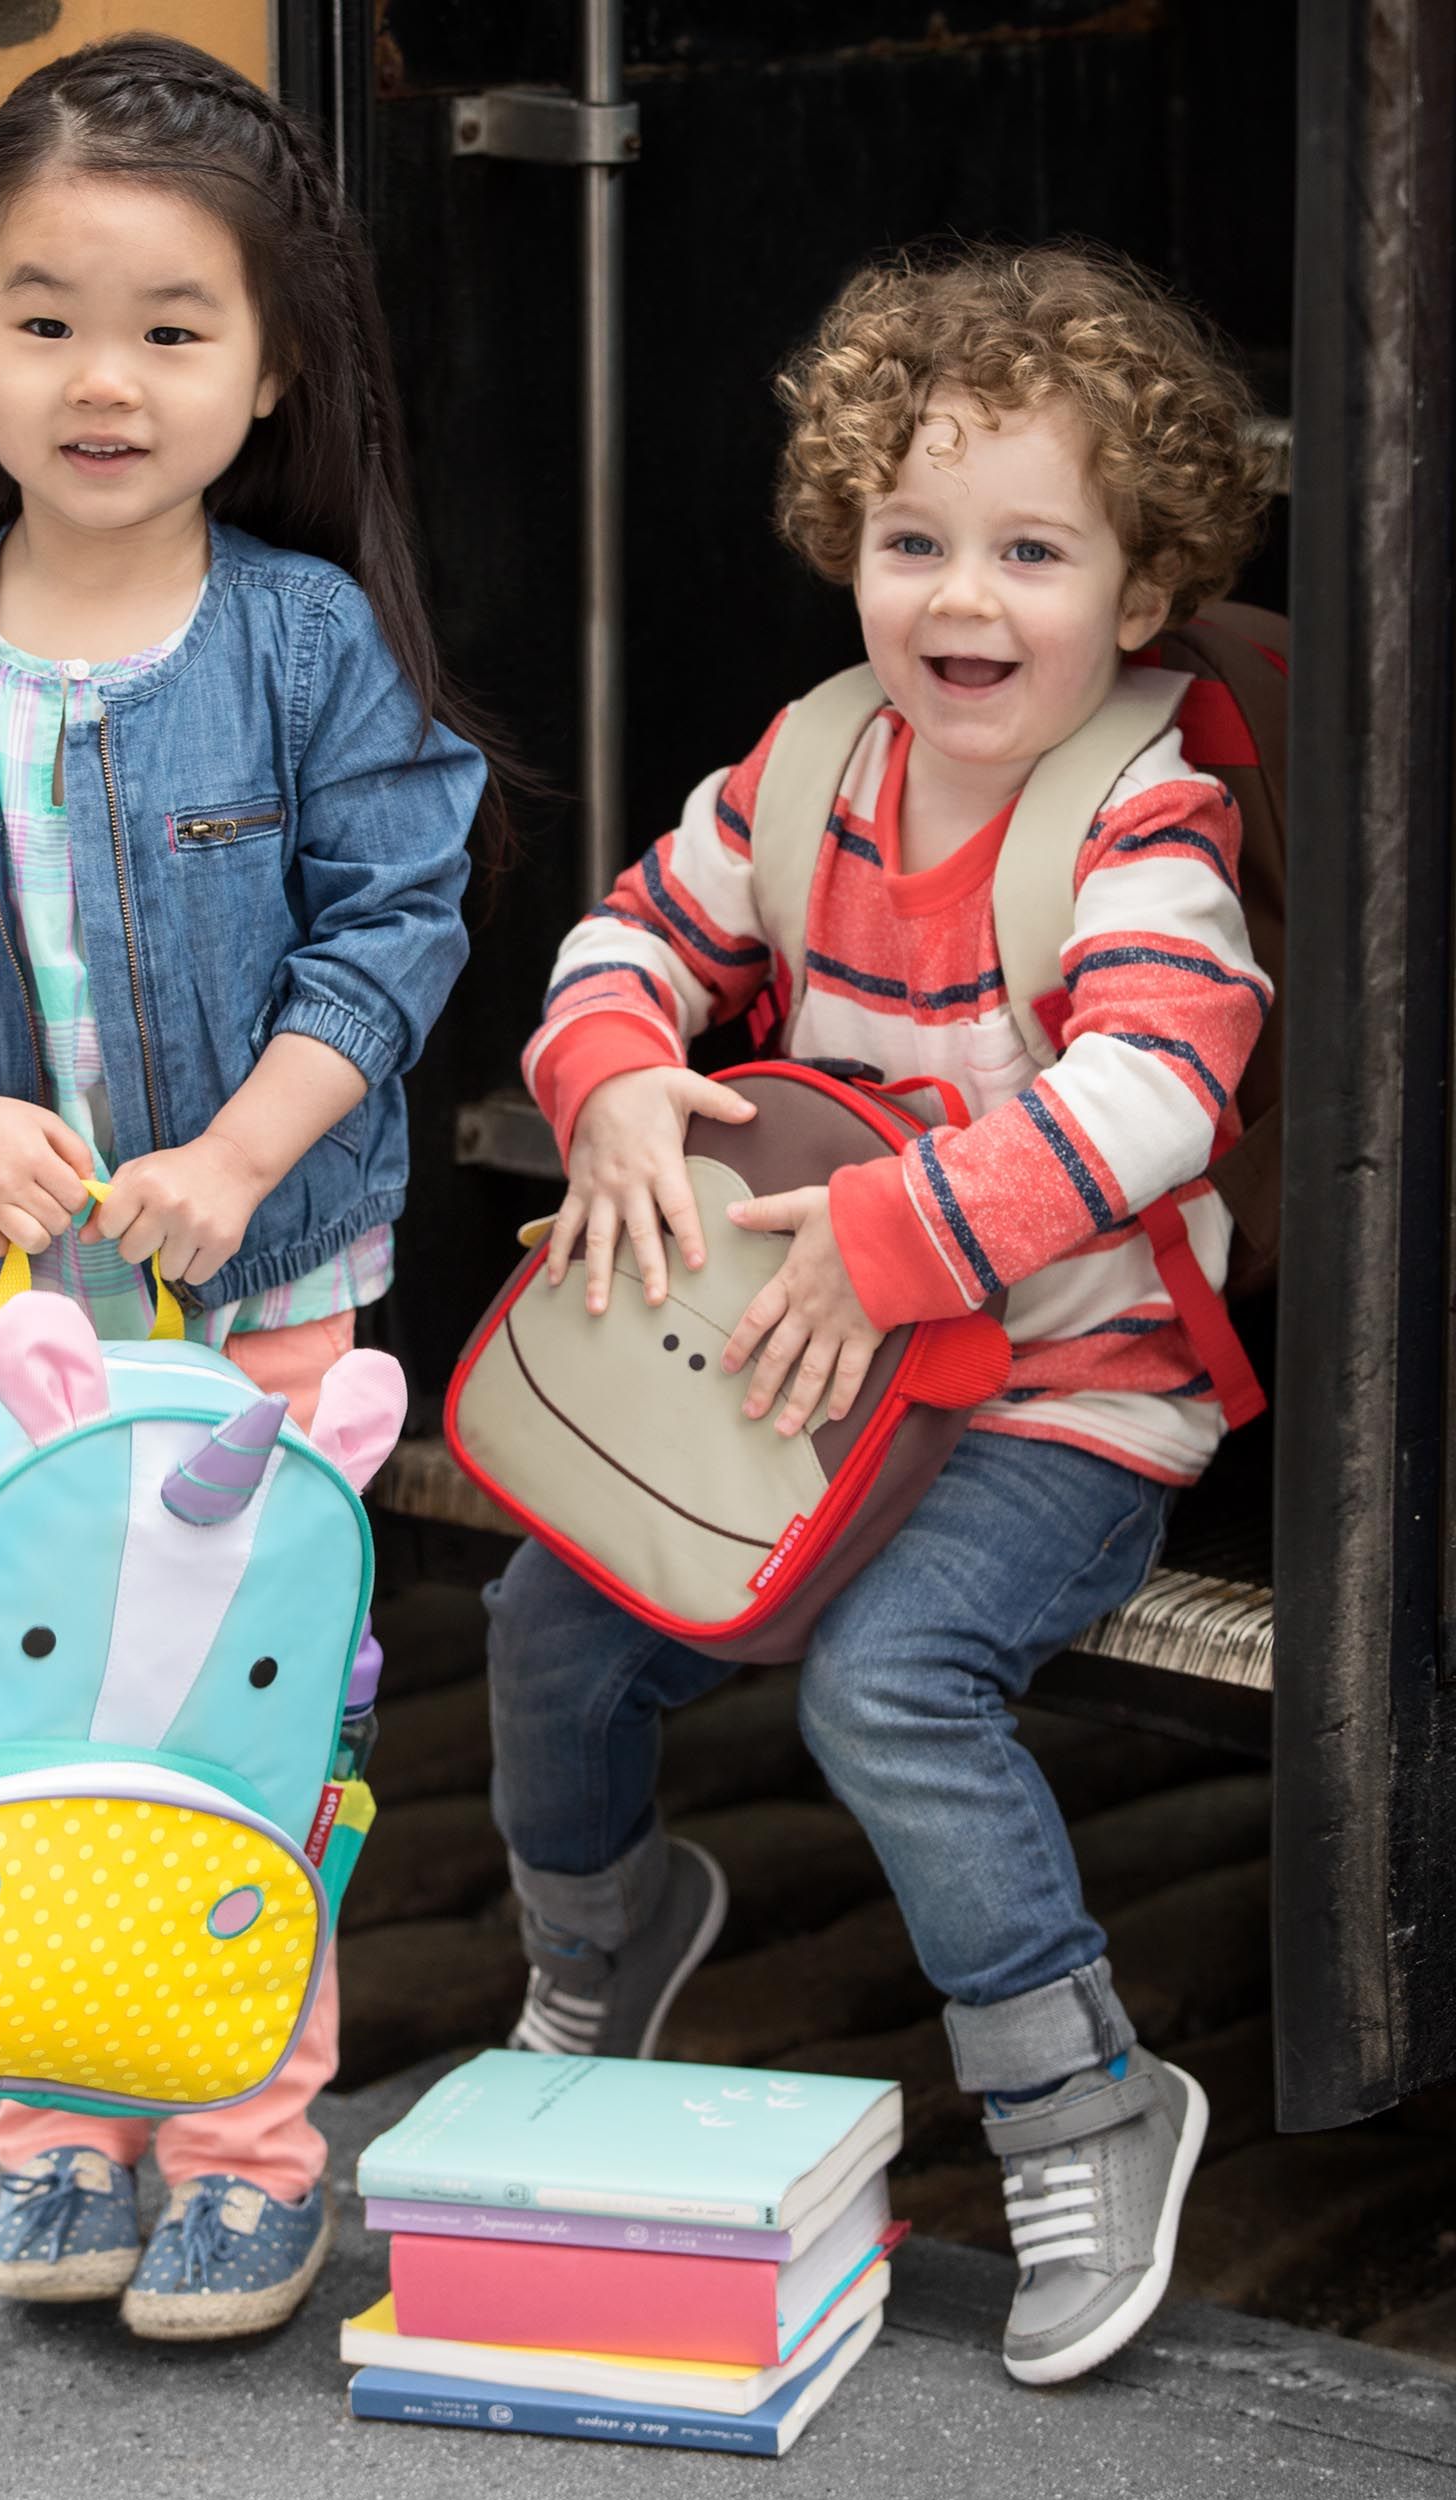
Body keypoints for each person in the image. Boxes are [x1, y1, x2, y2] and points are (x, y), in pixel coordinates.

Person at [486, 241, 1274, 2387]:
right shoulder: (809, 762)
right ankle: (602, 1934)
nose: (958, 598)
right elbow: (631, 934)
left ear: (1134, 591)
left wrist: (897, 1231)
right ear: (850, 540)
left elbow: (1155, 1080)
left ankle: (1078, 2092)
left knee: (890, 1684)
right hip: (813, 1373)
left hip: (1056, 1389)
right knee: (551, 1622)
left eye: (1031, 550)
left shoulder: (1144, 813)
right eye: (911, 538)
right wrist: (621, 1074)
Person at [0, 32, 493, 2339]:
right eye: (44, 318)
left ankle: (248, 2151)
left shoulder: (299, 641)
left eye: (172, 329)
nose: (104, 379)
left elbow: (397, 923)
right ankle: (53, 2124)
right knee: (0, 1709)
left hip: (255, 1297)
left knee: (243, 1735)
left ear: (268, 371)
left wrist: (243, 1148)